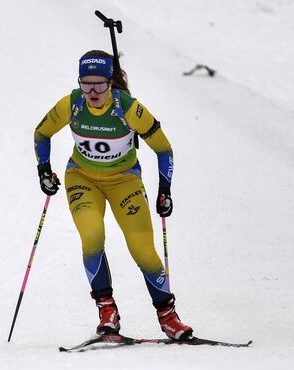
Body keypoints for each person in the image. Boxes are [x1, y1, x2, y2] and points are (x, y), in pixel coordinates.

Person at [33, 50, 193, 340]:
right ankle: (107, 311)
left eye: (100, 84)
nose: (93, 92)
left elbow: (163, 148)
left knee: (143, 250)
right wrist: (44, 171)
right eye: (86, 84)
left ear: (111, 82)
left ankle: (168, 317)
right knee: (92, 237)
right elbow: (42, 133)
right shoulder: (72, 104)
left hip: (124, 181)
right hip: (82, 178)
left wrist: (165, 190)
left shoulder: (128, 107)